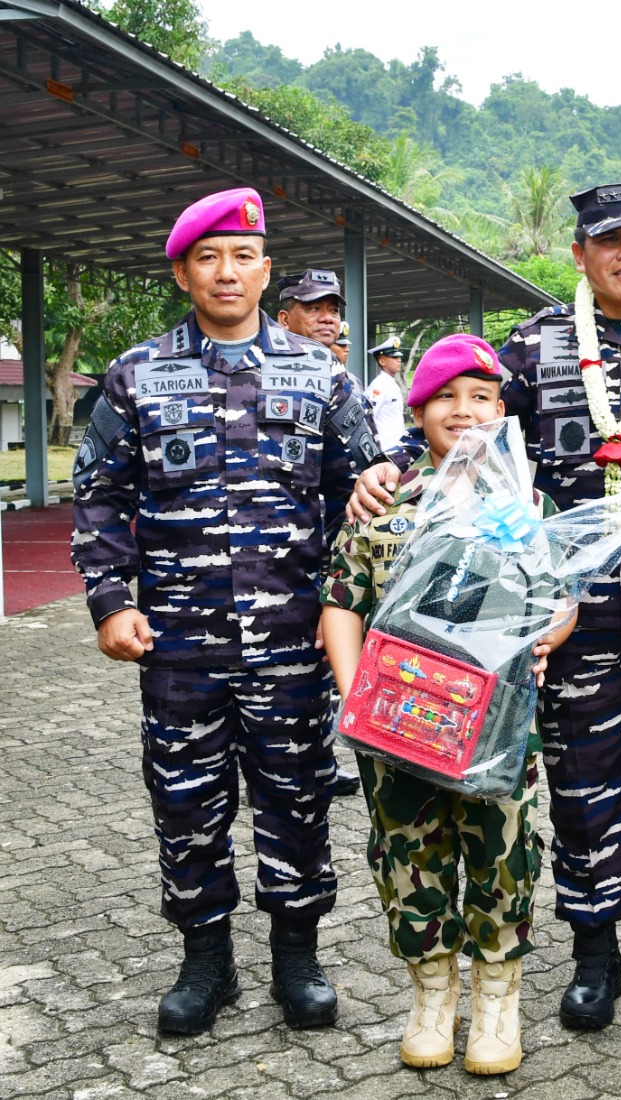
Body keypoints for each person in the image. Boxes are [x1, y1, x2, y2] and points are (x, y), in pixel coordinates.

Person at [348, 182, 621, 1032]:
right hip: (562, 612)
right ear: (579, 252)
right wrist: (388, 466)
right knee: (582, 784)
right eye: (609, 239)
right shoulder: (534, 349)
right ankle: (595, 957)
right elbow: (466, 425)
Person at [71, 187, 383, 1036]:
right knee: (186, 798)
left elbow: (368, 489)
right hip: (177, 641)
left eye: (243, 256)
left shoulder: (319, 373)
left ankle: (297, 956)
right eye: (208, 257)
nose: (227, 271)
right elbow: (99, 494)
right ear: (183, 272)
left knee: (297, 793)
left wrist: (352, 605)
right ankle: (205, 961)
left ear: (265, 269)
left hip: (291, 638)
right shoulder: (139, 374)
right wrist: (108, 602)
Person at [321, 335, 571, 1075]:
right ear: (419, 411)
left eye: (482, 400)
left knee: (504, 855)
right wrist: (356, 695)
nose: (464, 414)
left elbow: (563, 599)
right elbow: (342, 603)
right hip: (399, 725)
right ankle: (432, 996)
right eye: (446, 400)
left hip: (499, 730)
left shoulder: (525, 502)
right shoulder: (383, 501)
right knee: (408, 857)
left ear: (502, 412)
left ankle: (497, 1000)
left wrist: (552, 636)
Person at [274, 269, 363, 798]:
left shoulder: (341, 379)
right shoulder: (269, 376)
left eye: (333, 306)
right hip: (284, 557)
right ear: (285, 318)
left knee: (325, 665)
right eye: (313, 307)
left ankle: (319, 760)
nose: (327, 316)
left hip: (336, 551)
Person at [275, 268, 344, 350]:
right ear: (285, 319)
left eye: (334, 310)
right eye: (315, 309)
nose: (328, 318)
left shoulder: (335, 362)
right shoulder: (266, 360)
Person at [367, 336, 409, 452]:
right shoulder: (379, 385)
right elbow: (367, 416)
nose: (399, 360)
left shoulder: (392, 383)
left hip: (395, 447)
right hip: (384, 449)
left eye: (399, 357)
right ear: (382, 361)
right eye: (394, 357)